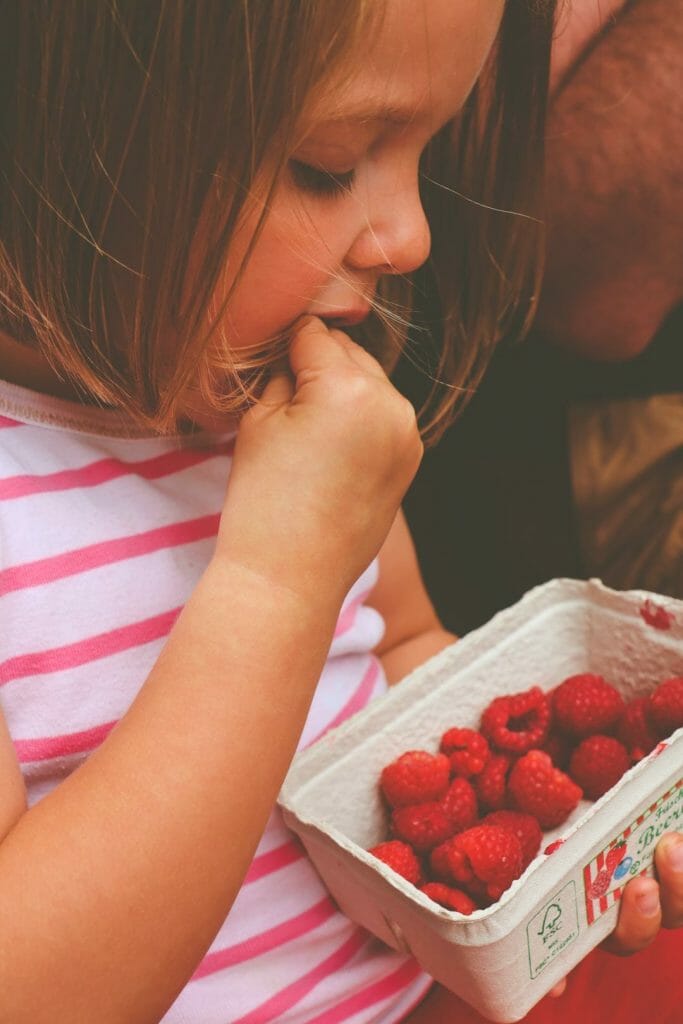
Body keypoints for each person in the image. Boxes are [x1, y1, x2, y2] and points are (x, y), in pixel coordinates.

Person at [0, 4, 679, 1024]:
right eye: (328, 164)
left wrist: (561, 849)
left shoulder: (272, 415)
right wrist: (277, 579)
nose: (409, 237)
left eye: (427, 152)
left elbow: (403, 650)